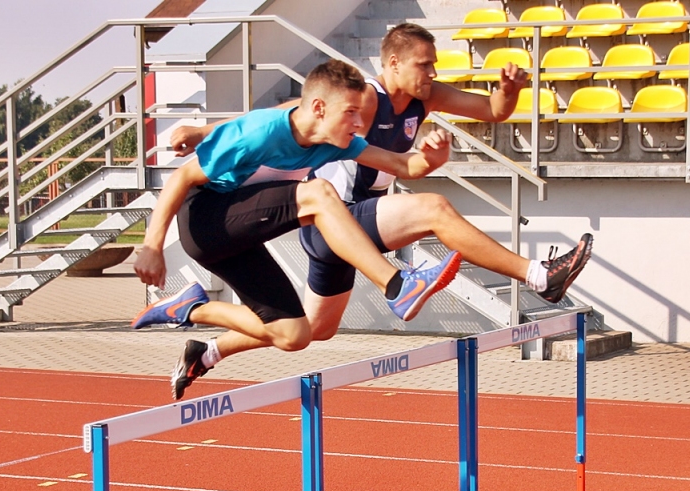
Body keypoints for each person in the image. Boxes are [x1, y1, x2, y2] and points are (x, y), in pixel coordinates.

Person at [168, 23, 593, 399]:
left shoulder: (426, 99)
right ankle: (539, 276)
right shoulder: (366, 97)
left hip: (349, 226)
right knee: (435, 210)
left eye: (434, 65)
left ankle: (206, 351)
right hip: (331, 216)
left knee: (311, 330)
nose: (432, 74)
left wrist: (509, 91)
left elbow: (491, 111)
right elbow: (283, 113)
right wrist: (204, 130)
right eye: (424, 65)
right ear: (393, 63)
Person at [132, 59, 461, 400]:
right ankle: (396, 285)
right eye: (351, 112)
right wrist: (152, 247)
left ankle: (188, 309)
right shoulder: (261, 132)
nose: (360, 123)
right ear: (319, 108)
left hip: (242, 240)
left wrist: (431, 159)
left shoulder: (335, 141)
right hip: (206, 221)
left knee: (295, 335)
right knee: (317, 193)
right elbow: (181, 177)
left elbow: (400, 164)